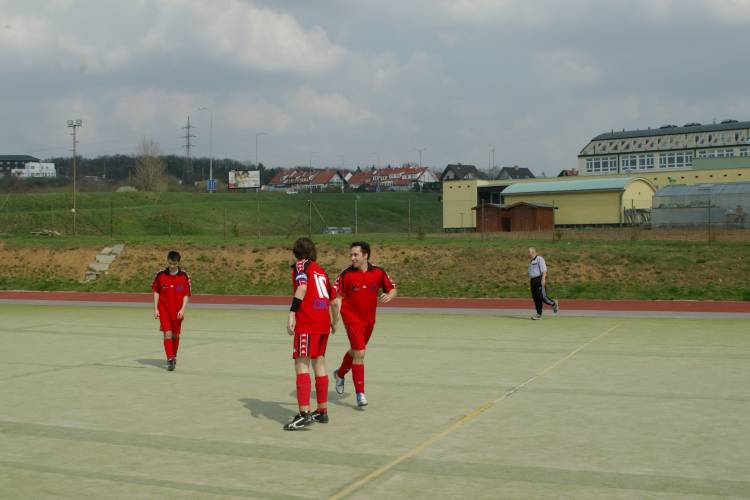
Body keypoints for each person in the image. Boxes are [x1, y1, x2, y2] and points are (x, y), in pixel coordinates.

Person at [332, 241, 397, 408]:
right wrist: (335, 320)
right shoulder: (346, 274)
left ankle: (340, 374)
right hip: (351, 317)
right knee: (360, 352)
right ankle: (360, 394)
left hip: (369, 319)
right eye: (351, 255)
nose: (352, 258)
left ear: (365, 255)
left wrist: (390, 295)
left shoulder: (378, 272)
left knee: (356, 351)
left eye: (356, 255)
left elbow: (392, 288)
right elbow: (337, 299)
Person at [285, 237, 337, 431]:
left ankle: (304, 414)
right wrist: (335, 322)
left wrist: (292, 312)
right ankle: (322, 411)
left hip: (308, 321)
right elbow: (335, 301)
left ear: (296, 252)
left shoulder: (301, 265)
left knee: (301, 364)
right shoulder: (320, 270)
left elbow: (302, 286)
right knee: (319, 364)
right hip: (323, 322)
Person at [151, 251, 191, 371]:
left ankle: (174, 356)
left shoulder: (184, 276)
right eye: (170, 263)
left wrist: (182, 310)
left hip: (177, 311)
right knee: (167, 334)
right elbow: (156, 291)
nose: (172, 266)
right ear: (167, 261)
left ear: (178, 263)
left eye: (174, 264)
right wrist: (156, 308)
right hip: (164, 310)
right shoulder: (160, 275)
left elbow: (186, 295)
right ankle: (170, 359)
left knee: (175, 335)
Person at [527, 247, 558, 320]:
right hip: (533, 281)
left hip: (539, 279)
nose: (528, 254)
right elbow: (531, 273)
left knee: (542, 297)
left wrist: (543, 279)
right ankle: (538, 314)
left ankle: (553, 303)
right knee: (536, 298)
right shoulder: (530, 261)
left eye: (529, 252)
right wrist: (530, 282)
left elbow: (544, 270)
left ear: (533, 252)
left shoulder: (539, 259)